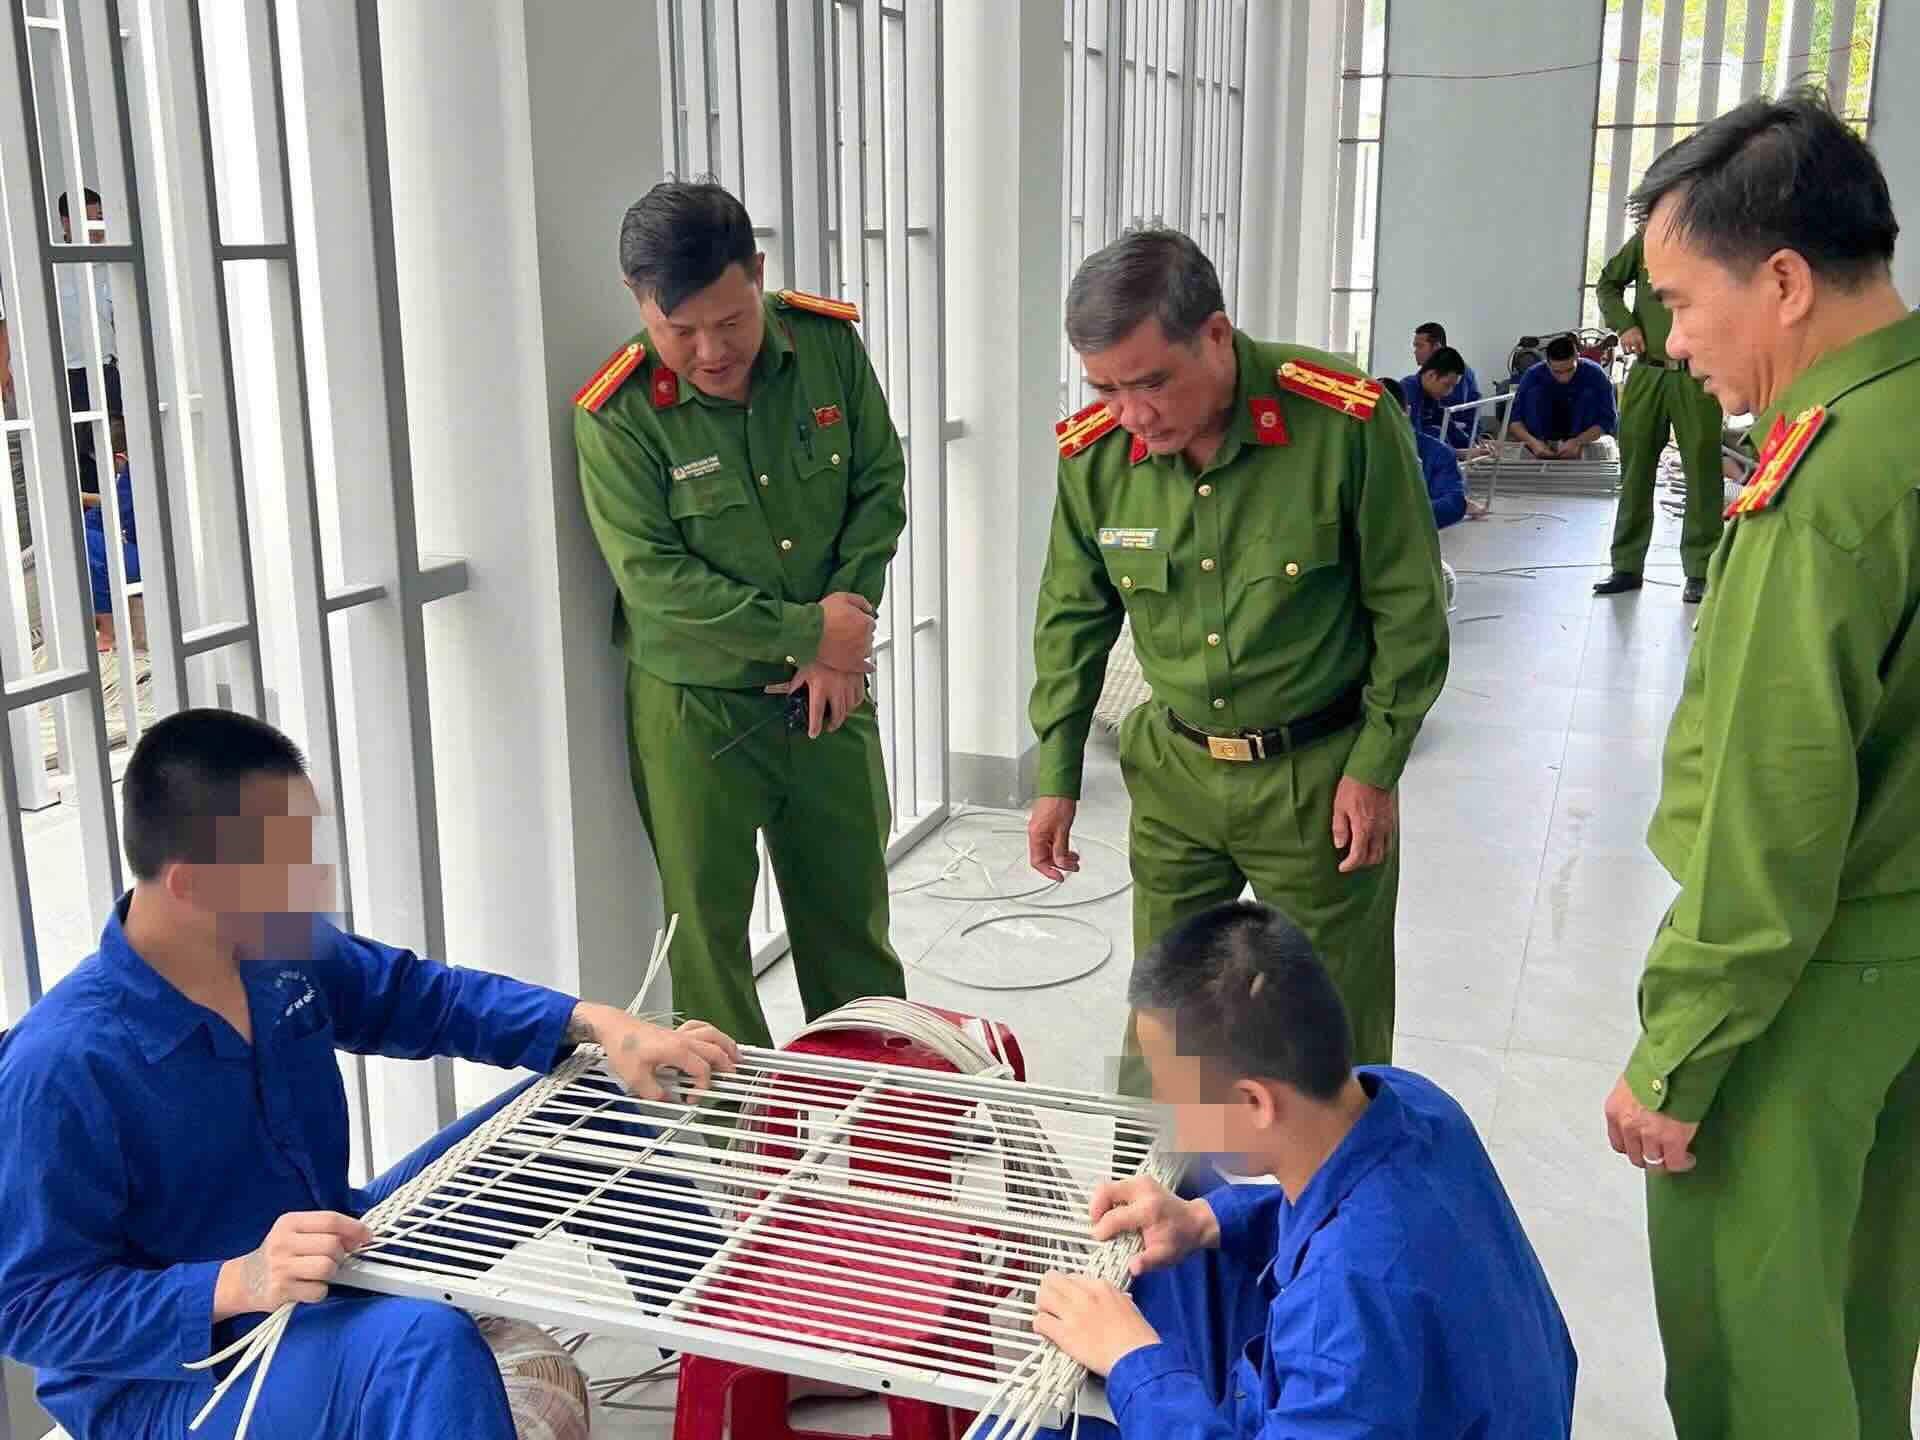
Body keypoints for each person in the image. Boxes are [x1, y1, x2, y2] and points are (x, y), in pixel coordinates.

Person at [0, 708, 738, 1439]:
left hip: (337, 1255)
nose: (313, 883)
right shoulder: (60, 1066)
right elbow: (27, 1306)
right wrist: (237, 1280)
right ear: (192, 886)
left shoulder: (276, 945)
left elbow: (420, 998)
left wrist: (601, 1025)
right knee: (424, 1344)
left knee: (582, 1115)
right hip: (184, 1383)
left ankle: (731, 1375)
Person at [1598, 90, 1920, 1440]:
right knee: (1859, 1312)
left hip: (1805, 980)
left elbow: (1773, 809)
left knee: (1754, 1346)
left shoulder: (1825, 485)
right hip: (1897, 963)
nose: (1673, 342)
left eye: (1680, 302)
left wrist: (1678, 1057)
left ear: (1783, 280)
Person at [1027, 229, 1449, 1093]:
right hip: (1177, 775)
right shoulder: (1098, 459)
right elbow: (1072, 618)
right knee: (1169, 1024)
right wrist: (1057, 769)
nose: (1132, 415)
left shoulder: (1342, 423)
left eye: (1151, 382)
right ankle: (1162, 1210)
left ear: (1215, 336)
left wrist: (1375, 766)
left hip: (1319, 781)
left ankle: (1336, 1216)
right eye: (1105, 388)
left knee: (1331, 1026)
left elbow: (1410, 611)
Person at [1029, 902, 1576, 1438]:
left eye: (1173, 1092)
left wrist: (1133, 1362)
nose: (1165, 1111)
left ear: (1252, 1103)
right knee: (1176, 1235)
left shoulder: (1342, 1314)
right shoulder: (1411, 1099)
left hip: (1376, 1380)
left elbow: (1355, 1290)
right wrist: (1204, 1220)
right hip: (1467, 1396)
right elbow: (1345, 1205)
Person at [576, 181, 908, 1049]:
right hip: (696, 714)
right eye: (677, 330)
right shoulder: (616, 415)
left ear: (758, 274)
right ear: (638, 302)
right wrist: (810, 633)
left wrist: (838, 647)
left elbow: (878, 486)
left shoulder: (828, 348)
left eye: (730, 320)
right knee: (711, 953)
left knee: (853, 929)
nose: (710, 351)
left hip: (828, 704)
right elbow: (656, 582)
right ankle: (746, 1169)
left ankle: (887, 1139)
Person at [1592, 227, 1727, 604]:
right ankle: (1626, 565)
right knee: (1634, 469)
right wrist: (1625, 324)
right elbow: (1607, 284)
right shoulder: (1648, 240)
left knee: (1702, 470)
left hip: (1697, 374)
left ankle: (1701, 569)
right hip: (1647, 372)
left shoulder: (1716, 238)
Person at [1377, 376, 1477, 528]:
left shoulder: (1437, 454)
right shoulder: (1352, 451)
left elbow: (1453, 502)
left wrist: (1394, 517)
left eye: (1388, 415)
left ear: (1407, 412)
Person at [1506, 334, 1617, 458]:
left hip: (1581, 438)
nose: (1564, 378)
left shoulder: (1595, 374)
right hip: (1541, 438)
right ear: (1547, 363)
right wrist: (1533, 443)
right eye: (1557, 372)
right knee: (1534, 393)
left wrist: (1578, 441)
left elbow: (1608, 420)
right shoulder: (1533, 375)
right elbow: (1514, 421)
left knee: (1588, 395)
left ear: (1578, 358)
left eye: (1570, 370)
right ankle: (1542, 445)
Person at [1409, 320, 1482, 449]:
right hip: (1440, 441)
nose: (1415, 352)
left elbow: (1448, 419)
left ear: (1436, 347)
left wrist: (1472, 447)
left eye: (1420, 346)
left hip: (1462, 433)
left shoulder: (1452, 373)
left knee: (1435, 432)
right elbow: (1413, 438)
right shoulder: (1415, 388)